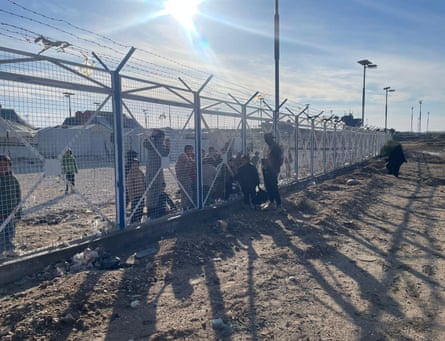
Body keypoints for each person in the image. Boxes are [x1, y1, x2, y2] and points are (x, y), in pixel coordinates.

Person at [143, 129, 170, 218]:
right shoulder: (152, 143)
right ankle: (150, 213)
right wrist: (152, 136)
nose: (163, 139)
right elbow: (145, 143)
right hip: (151, 173)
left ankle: (155, 212)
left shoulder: (161, 146)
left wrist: (168, 145)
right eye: (162, 137)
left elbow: (165, 155)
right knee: (151, 194)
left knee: (157, 194)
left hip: (159, 174)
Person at [0, 155, 21, 254]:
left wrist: (18, 212)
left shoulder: (13, 179)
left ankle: (10, 250)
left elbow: (18, 196)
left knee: (10, 233)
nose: (2, 167)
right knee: (1, 234)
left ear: (9, 166)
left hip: (11, 214)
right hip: (1, 215)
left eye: (5, 165)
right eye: (0, 165)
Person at [261, 133, 283, 210]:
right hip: (269, 169)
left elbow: (277, 160)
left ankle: (278, 204)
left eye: (267, 139)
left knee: (273, 186)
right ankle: (272, 201)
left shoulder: (275, 147)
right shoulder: (271, 147)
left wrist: (272, 168)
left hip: (272, 170)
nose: (266, 141)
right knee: (268, 186)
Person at [126, 158, 145, 224]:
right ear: (131, 166)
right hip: (135, 196)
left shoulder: (140, 172)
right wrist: (131, 196)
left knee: (141, 207)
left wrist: (144, 191)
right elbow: (129, 187)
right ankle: (133, 221)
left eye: (137, 165)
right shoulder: (130, 175)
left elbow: (143, 181)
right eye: (134, 165)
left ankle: (139, 220)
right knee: (134, 209)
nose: (135, 166)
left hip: (141, 194)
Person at [175, 145, 195, 209]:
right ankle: (184, 207)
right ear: (187, 150)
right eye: (190, 150)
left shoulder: (188, 157)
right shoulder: (183, 155)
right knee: (185, 193)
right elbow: (190, 162)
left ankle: (187, 206)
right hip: (182, 178)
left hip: (186, 178)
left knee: (189, 193)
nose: (191, 152)